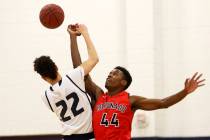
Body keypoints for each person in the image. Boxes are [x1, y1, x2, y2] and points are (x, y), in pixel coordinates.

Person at [70, 24, 206, 140]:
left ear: (123, 82)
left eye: (115, 74)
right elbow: (79, 71)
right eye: (110, 73)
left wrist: (185, 91)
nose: (110, 75)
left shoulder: (131, 100)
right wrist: (73, 38)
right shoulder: (99, 94)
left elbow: (163, 103)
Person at [33, 24, 98, 140]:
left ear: (43, 77)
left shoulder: (46, 96)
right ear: (56, 67)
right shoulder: (73, 77)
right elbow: (94, 59)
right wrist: (85, 33)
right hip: (88, 136)